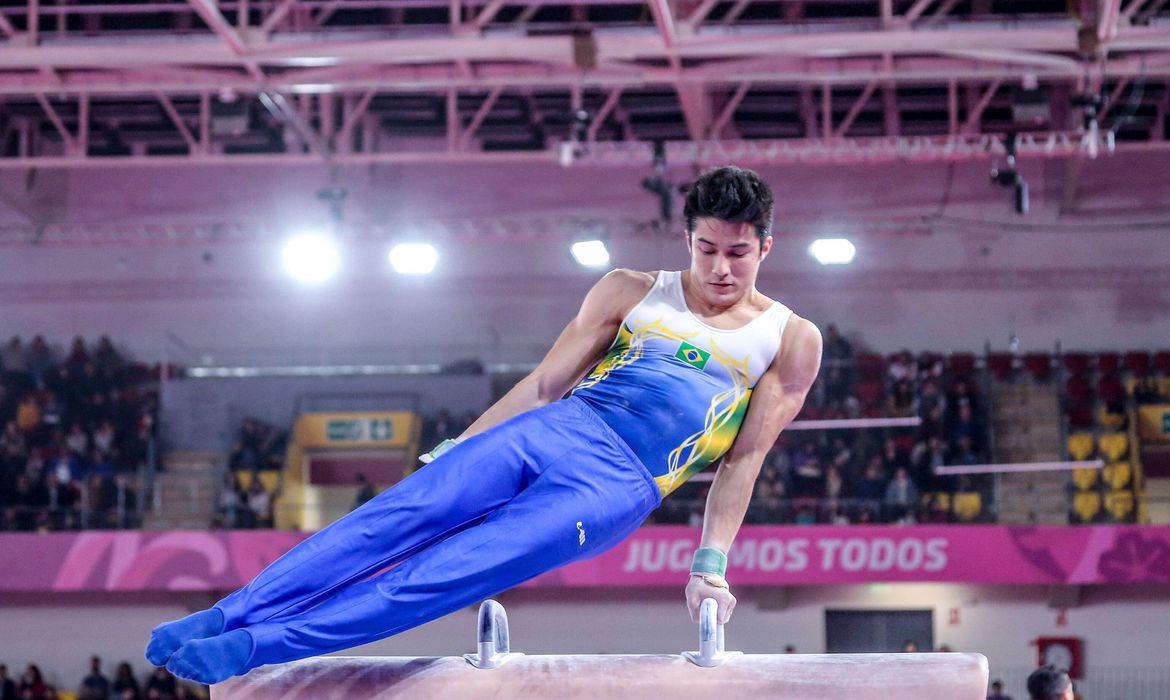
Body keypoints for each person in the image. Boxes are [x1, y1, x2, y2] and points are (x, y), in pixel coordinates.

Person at [144, 165, 822, 685]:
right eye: (707, 249)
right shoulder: (631, 288)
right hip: (559, 425)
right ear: (688, 238)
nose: (720, 268)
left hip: (616, 486)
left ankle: (258, 647)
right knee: (391, 519)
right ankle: (226, 614)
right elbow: (544, 384)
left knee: (449, 571)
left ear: (766, 246)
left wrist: (709, 566)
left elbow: (745, 459)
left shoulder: (788, 338)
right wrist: (459, 447)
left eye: (738, 253)